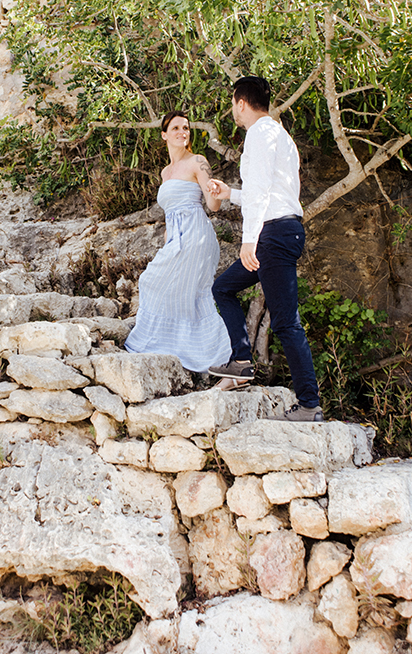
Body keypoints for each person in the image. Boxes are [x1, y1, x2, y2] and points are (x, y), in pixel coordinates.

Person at [207, 76, 324, 421]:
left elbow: (259, 194)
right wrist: (230, 194)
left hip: (271, 236)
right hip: (284, 229)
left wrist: (248, 240)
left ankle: (309, 405)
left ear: (241, 102)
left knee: (287, 322)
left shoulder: (257, 134)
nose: (234, 111)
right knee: (223, 288)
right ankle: (241, 361)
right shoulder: (281, 136)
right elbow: (272, 194)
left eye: (233, 104)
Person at [124, 111, 232, 375]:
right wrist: (166, 244)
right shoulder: (165, 172)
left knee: (188, 292)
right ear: (164, 134)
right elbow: (169, 213)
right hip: (175, 235)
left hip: (196, 234)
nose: (182, 132)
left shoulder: (198, 161)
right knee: (160, 284)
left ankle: (219, 355)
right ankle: (184, 348)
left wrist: (216, 190)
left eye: (186, 128)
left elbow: (213, 206)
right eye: (175, 128)